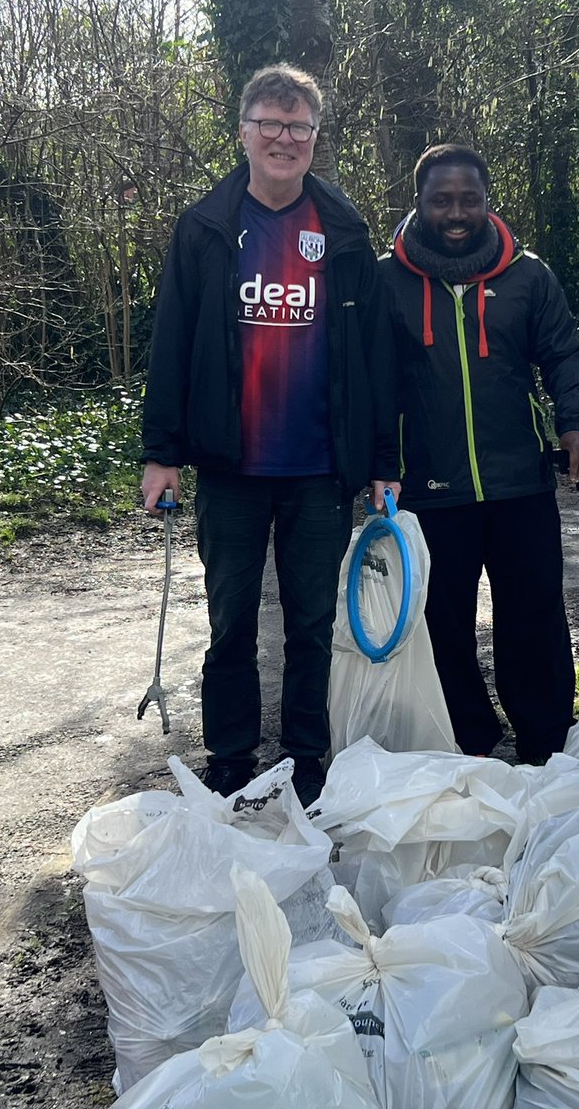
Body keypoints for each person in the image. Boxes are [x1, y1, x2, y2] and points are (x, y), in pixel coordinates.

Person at [141, 64, 401, 805]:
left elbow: (373, 358)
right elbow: (172, 343)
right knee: (230, 628)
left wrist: (383, 459)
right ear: (244, 132)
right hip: (230, 467)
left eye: (299, 127)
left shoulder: (345, 233)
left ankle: (308, 762)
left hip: (320, 469)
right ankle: (230, 761)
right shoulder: (206, 228)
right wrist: (162, 454)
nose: (284, 139)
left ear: (315, 138)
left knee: (312, 628)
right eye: (271, 124)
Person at [379, 143, 579, 763]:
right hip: (427, 484)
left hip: (519, 481)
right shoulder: (385, 280)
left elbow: (562, 356)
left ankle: (543, 743)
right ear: (418, 203)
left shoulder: (530, 276)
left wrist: (577, 423)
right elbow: (366, 380)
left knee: (533, 619)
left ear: (486, 201)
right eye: (441, 200)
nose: (456, 212)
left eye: (468, 200)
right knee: (441, 625)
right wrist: (374, 464)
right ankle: (468, 740)